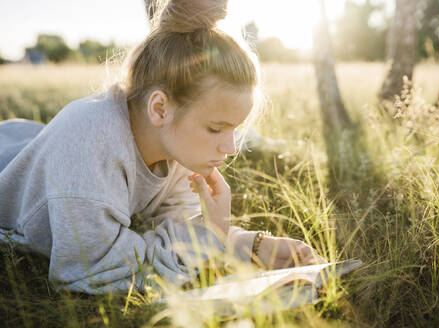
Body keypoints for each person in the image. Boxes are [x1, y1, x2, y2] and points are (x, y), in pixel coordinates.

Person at [0, 0, 325, 295]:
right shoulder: (89, 148)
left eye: (235, 129)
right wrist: (214, 237)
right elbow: (92, 269)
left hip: (29, 141)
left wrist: (248, 245)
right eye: (215, 128)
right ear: (159, 109)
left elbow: (171, 229)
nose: (229, 147)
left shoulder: (178, 144)